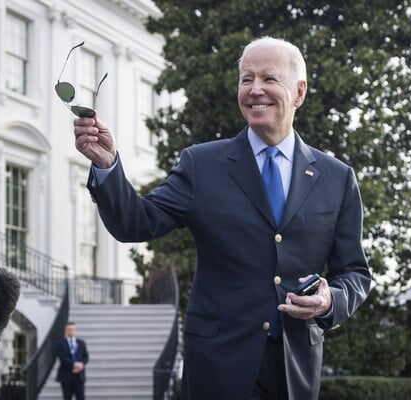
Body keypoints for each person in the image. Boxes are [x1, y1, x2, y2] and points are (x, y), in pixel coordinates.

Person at [72, 37, 371, 400]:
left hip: (295, 372)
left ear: (299, 92)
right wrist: (107, 166)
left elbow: (354, 273)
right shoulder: (203, 165)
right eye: (247, 79)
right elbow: (137, 222)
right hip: (217, 367)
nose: (255, 89)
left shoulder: (336, 177)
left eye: (269, 79)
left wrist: (330, 301)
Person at [56, 321, 89, 400]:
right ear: (66, 330)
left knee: (81, 398)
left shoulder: (81, 343)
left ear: (75, 330)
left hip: (79, 376)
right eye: (69, 329)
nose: (71, 331)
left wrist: (81, 365)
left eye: (73, 329)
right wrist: (74, 365)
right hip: (66, 376)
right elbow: (62, 358)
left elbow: (86, 357)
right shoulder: (60, 343)